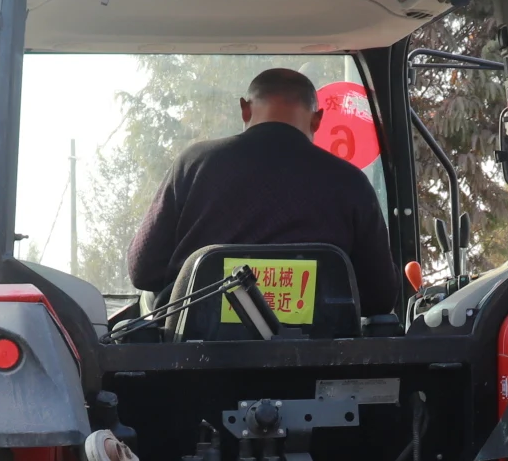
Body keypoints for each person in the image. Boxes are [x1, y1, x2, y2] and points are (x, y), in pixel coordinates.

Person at [126, 67, 399, 315]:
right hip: (316, 360)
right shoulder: (350, 182)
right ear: (317, 120)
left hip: (198, 358)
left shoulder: (193, 163)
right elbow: (380, 297)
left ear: (245, 109)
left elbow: (143, 272)